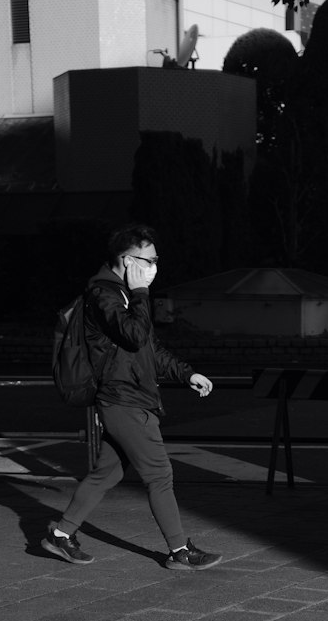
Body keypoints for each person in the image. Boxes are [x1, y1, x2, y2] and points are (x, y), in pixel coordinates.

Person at [43, 223, 221, 569]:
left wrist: (187, 373)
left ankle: (60, 535)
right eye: (148, 260)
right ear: (127, 260)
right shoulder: (105, 294)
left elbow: (149, 350)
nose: (154, 267)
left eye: (156, 260)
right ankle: (179, 551)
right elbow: (136, 335)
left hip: (128, 397)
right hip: (124, 400)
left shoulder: (122, 293)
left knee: (105, 474)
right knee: (159, 474)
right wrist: (141, 292)